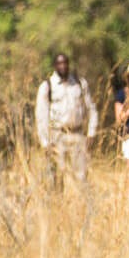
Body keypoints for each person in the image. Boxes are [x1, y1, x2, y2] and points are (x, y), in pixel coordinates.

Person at [35, 52, 97, 189]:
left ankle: (85, 207)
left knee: (82, 177)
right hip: (57, 135)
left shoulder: (79, 83)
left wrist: (91, 132)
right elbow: (41, 116)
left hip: (77, 134)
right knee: (56, 177)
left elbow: (91, 108)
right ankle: (56, 206)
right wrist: (45, 142)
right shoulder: (47, 86)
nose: (63, 66)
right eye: (59, 63)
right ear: (54, 66)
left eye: (65, 63)